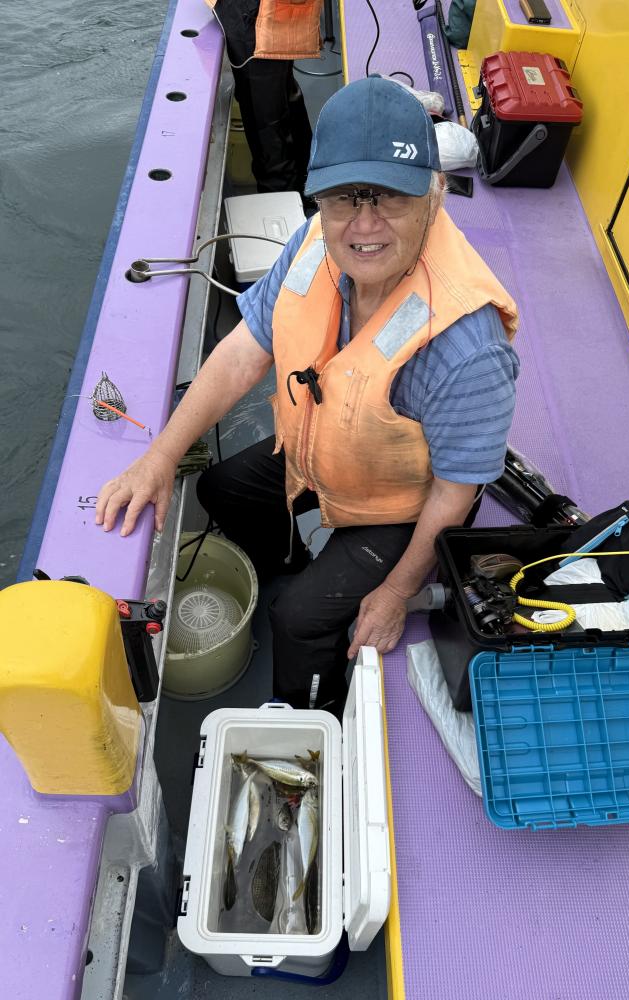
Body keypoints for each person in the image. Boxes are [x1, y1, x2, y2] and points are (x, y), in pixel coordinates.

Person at [96, 76, 519, 717]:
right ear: (318, 197)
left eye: (391, 196)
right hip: (327, 451)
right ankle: (295, 567)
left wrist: (397, 592)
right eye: (345, 197)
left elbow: (455, 491)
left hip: (399, 505)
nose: (364, 224)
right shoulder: (313, 242)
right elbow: (241, 353)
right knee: (221, 489)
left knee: (296, 621)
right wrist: (160, 456)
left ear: (434, 194)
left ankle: (308, 706)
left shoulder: (468, 348)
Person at [208, 0, 322, 198]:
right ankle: (310, 188)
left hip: (258, 18)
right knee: (283, 98)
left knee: (265, 119)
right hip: (272, 17)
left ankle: (282, 197)